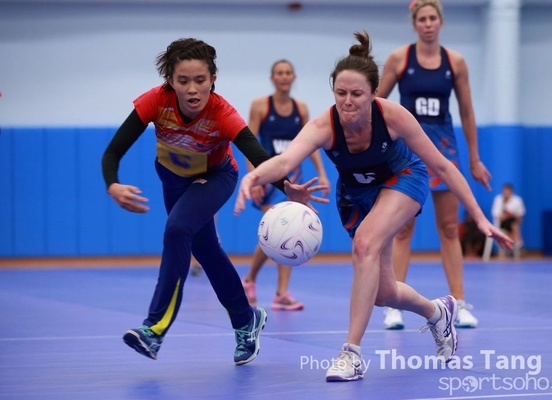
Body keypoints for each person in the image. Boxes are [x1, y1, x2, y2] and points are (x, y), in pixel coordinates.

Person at [233, 31, 513, 382]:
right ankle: (438, 312)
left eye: (357, 94)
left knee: (364, 244)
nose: (348, 101)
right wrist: (253, 177)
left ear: (373, 93)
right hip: (357, 194)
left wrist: (480, 218)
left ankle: (351, 353)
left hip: (404, 179)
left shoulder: (393, 117)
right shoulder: (324, 125)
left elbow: (443, 166)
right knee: (383, 293)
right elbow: (286, 160)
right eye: (341, 93)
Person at [101, 38, 325, 365]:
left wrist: (287, 187)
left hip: (216, 177)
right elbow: (112, 152)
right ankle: (246, 319)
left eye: (200, 80)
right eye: (183, 81)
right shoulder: (155, 101)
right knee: (206, 251)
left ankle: (154, 328)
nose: (192, 89)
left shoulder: (222, 113)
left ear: (213, 79)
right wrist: (113, 185)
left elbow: (258, 155)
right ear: (170, 81)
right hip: (173, 179)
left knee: (177, 229)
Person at [377, 0, 491, 330]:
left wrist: (474, 158)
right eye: (422, 19)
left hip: (443, 148)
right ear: (414, 24)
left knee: (450, 227)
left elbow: (467, 111)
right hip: (406, 150)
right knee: (402, 229)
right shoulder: (400, 59)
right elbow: (377, 103)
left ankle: (460, 302)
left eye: (432, 18)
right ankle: (393, 305)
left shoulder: (456, 62)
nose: (427, 24)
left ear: (441, 22)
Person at [241, 59, 330, 311]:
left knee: (289, 232)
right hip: (268, 178)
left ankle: (279, 292)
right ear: (273, 78)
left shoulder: (300, 109)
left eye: (288, 73)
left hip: (293, 181)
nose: (283, 76)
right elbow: (248, 143)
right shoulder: (261, 106)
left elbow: (311, 143)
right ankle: (250, 280)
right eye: (279, 73)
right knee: (278, 231)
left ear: (293, 78)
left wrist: (322, 173)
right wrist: (254, 178)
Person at [491, 183, 526, 259]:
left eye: (508, 192)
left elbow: (520, 217)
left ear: (511, 192)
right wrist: (507, 215)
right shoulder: (498, 200)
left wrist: (511, 215)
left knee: (514, 225)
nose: (506, 194)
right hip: (501, 224)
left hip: (513, 223)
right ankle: (517, 244)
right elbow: (498, 218)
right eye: (505, 192)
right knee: (513, 226)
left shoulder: (517, 201)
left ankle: (511, 247)